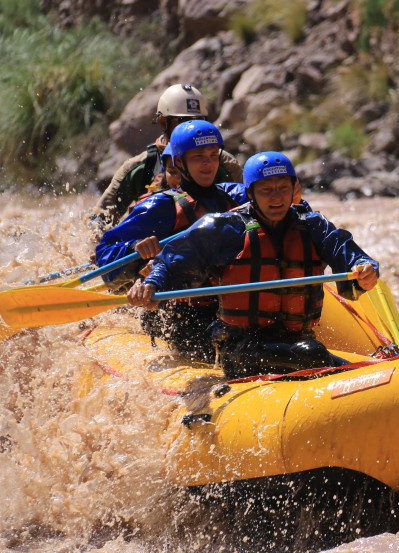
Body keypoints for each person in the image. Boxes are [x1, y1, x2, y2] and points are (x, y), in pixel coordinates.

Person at [127, 151, 380, 379]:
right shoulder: (226, 227)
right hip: (241, 350)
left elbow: (343, 248)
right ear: (250, 194)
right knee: (312, 353)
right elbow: (172, 260)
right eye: (266, 190)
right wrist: (152, 284)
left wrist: (364, 267)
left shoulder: (313, 225)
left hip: (298, 339)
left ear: (294, 188)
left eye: (283, 188)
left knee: (350, 367)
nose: (276, 197)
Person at [94, 120, 249, 361]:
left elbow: (271, 196)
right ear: (179, 162)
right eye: (198, 156)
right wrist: (135, 248)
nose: (208, 163)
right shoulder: (161, 206)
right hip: (178, 315)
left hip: (227, 306)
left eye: (212, 155)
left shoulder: (234, 195)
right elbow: (105, 255)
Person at [87, 83, 243, 235]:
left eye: (198, 122)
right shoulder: (138, 168)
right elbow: (99, 221)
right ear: (163, 123)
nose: (191, 130)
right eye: (183, 123)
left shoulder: (225, 164)